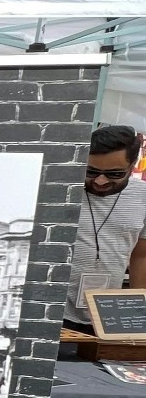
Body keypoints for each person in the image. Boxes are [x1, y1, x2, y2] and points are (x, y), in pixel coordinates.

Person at [63, 124, 146, 329]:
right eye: (91, 171)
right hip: (52, 308)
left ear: (132, 165)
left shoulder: (143, 196)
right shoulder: (64, 190)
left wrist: (139, 314)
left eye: (114, 174)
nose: (100, 181)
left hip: (107, 314)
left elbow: (141, 256)